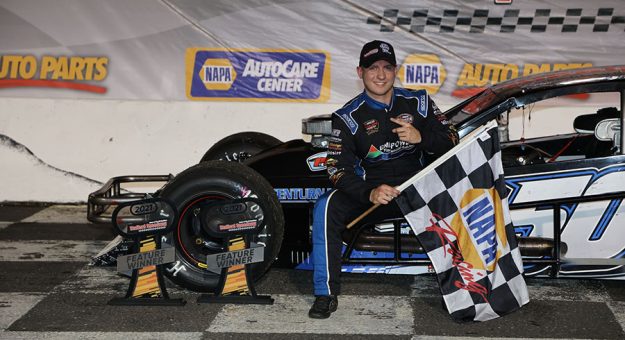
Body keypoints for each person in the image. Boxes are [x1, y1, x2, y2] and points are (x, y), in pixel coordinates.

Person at [308, 40, 458, 319]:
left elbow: (452, 139)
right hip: (375, 192)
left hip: (419, 187)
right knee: (326, 207)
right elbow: (336, 169)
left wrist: (422, 138)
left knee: (457, 195)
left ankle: (461, 288)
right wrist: (369, 192)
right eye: (372, 68)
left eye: (387, 68)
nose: (380, 74)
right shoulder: (347, 116)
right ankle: (325, 293)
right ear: (360, 72)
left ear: (395, 70)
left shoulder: (419, 102)